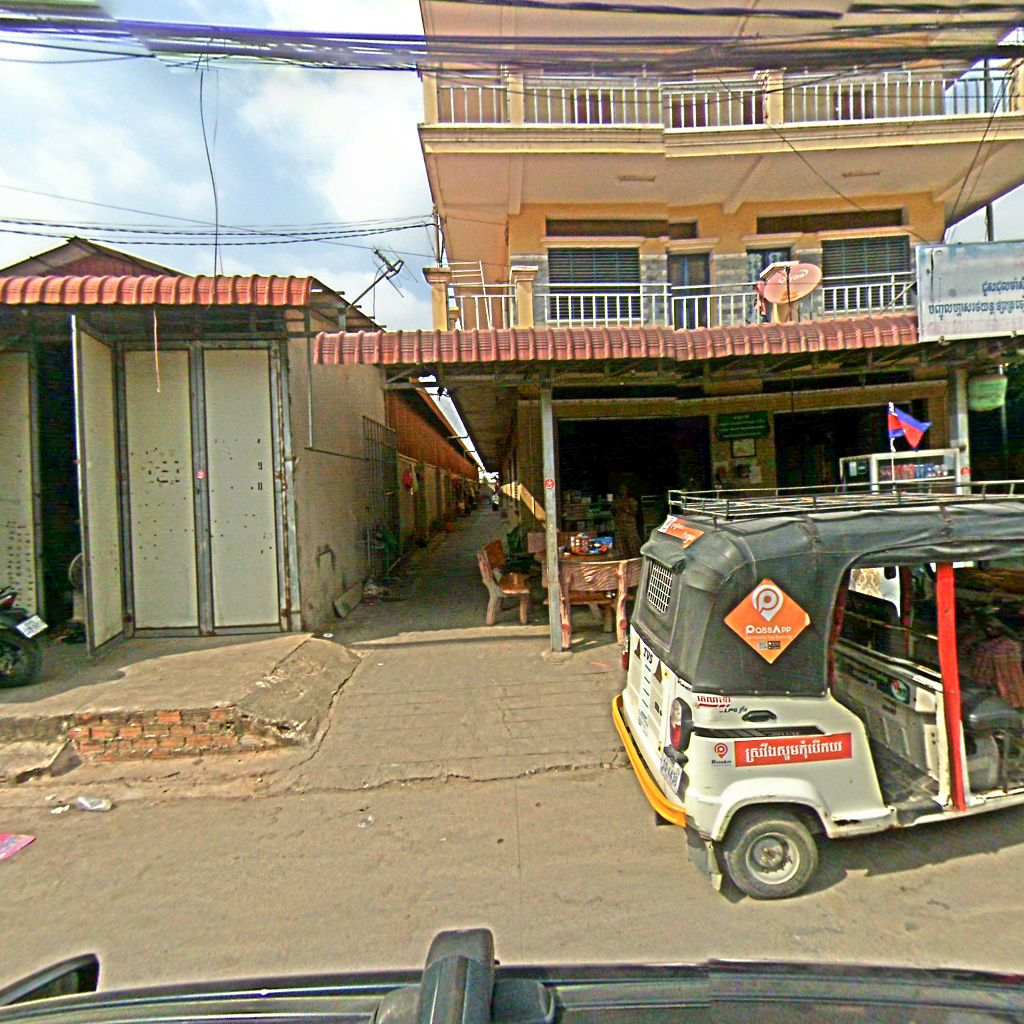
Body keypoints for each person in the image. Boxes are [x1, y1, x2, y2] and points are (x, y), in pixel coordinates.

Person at [613, 484, 642, 559]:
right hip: (620, 524)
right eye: (621, 489)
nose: (622, 491)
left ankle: (636, 559)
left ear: (627, 490)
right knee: (622, 544)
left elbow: (634, 513)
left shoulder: (631, 500)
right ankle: (625, 559)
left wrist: (625, 509)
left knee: (632, 543)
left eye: (624, 489)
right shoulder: (618, 500)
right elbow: (614, 511)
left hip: (629, 525)